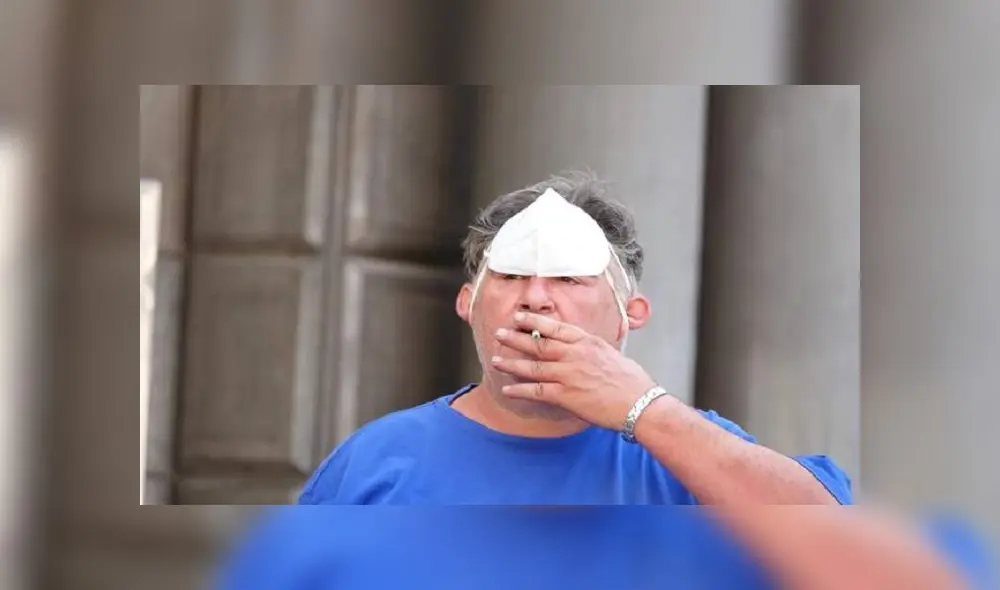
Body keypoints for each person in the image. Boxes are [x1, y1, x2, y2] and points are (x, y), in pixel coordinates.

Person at [282, 172, 985, 588]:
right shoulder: (375, 463)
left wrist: (642, 408)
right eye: (512, 279)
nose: (535, 299)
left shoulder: (691, 457)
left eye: (568, 280)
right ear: (469, 305)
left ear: (629, 317)